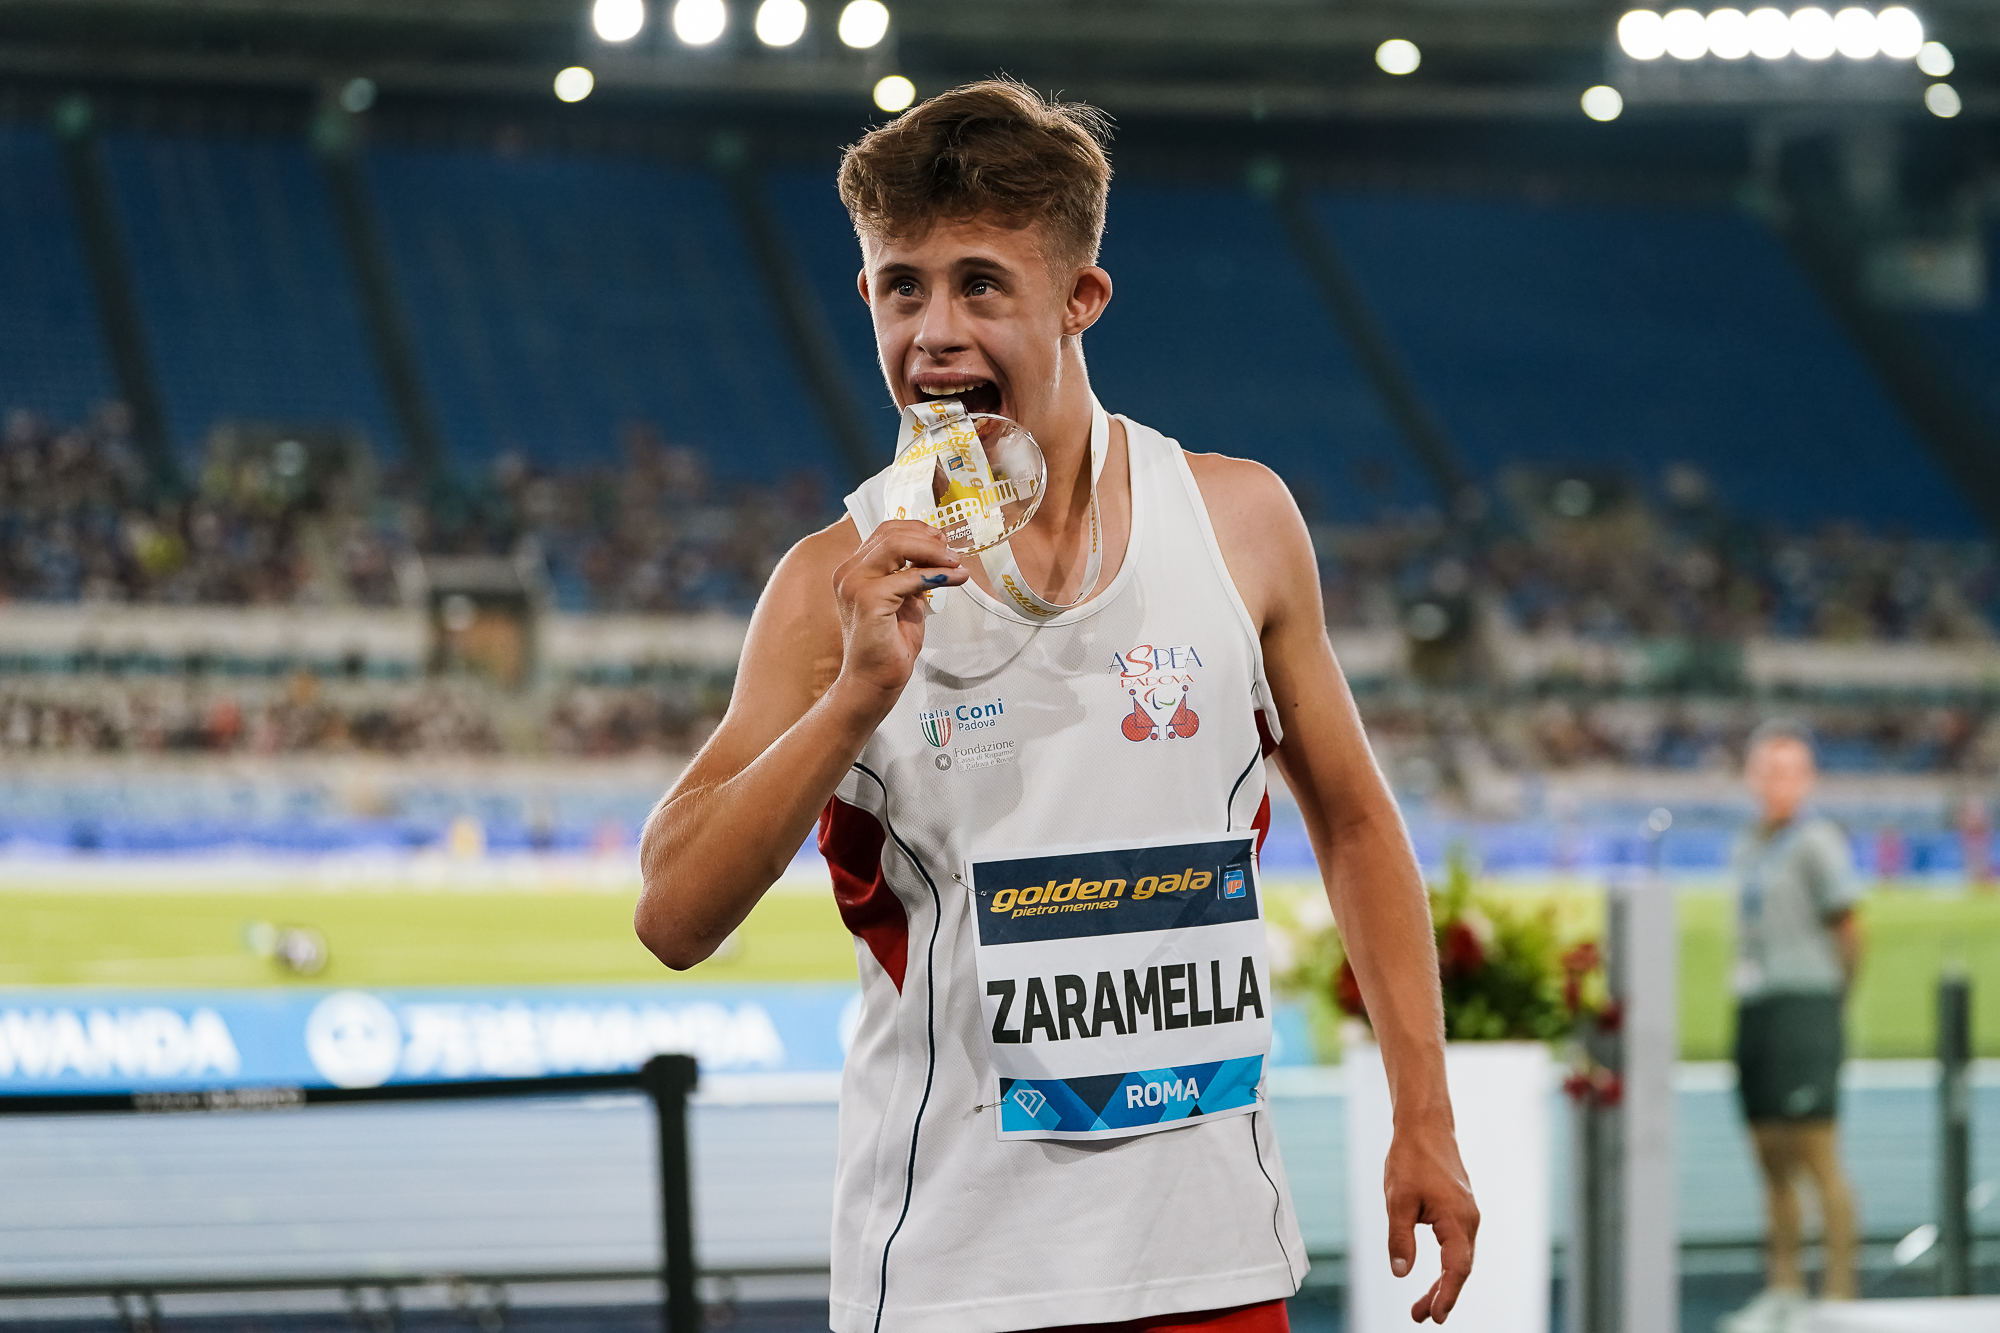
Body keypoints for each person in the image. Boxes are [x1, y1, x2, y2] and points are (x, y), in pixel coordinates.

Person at [635, 80, 1476, 1333]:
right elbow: (672, 915)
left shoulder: (1237, 523)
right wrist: (855, 694)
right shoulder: (832, 581)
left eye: (980, 284)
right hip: (953, 1276)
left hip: (1211, 1262)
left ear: (1080, 298)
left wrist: (1424, 1115)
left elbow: (1354, 822)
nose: (933, 332)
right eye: (900, 287)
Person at [1721, 721, 1863, 1333]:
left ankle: (1839, 1298)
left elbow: (1850, 931)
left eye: (1789, 771)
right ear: (1753, 777)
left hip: (1805, 1006)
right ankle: (1783, 1290)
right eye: (1768, 770)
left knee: (1817, 1156)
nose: (1777, 782)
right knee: (1770, 1157)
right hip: (1757, 1007)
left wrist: (1830, 1002)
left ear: (1806, 780)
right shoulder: (1748, 845)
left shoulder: (1817, 843)